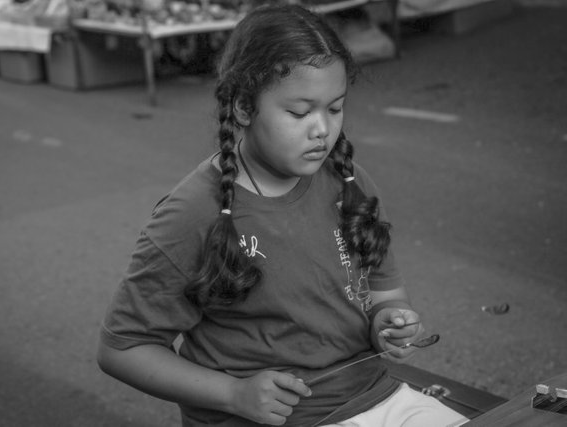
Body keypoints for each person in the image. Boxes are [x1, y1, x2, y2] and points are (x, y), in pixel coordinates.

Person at [97, 4, 468, 427]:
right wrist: (234, 394)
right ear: (242, 107)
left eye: (334, 108)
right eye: (298, 112)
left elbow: (386, 297)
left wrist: (391, 323)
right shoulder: (190, 214)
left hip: (377, 397)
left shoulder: (350, 183)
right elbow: (121, 349)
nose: (322, 130)